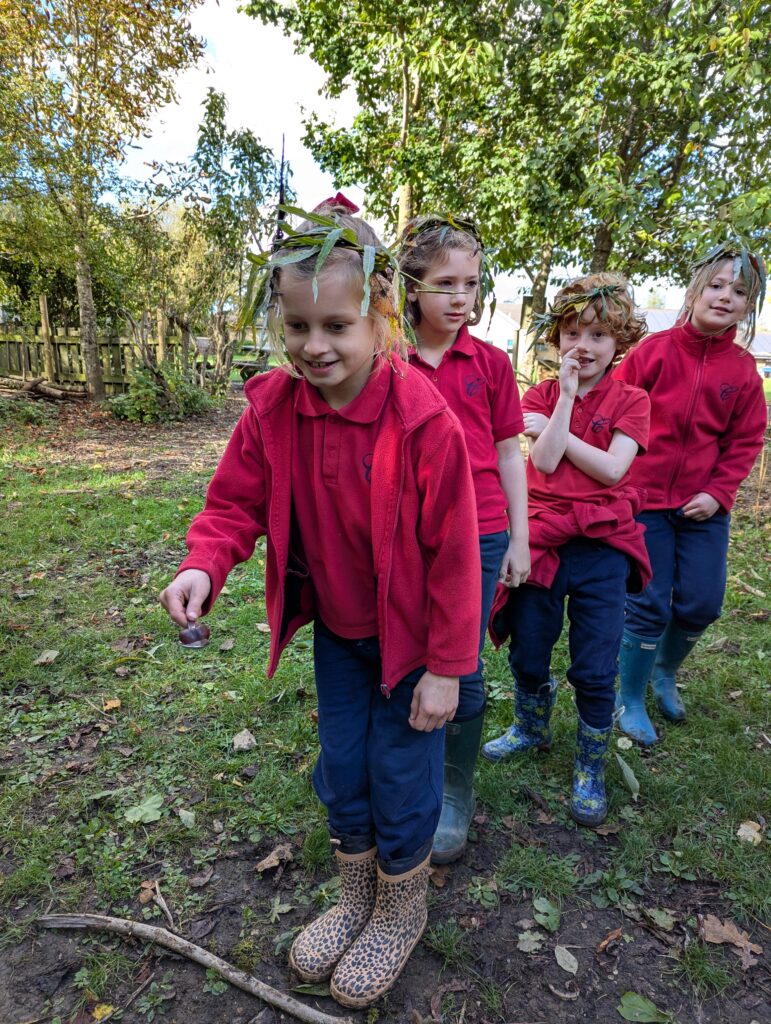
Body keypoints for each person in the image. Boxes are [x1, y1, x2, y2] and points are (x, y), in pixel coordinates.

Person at [159, 198, 482, 1008]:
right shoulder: (272, 408)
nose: (314, 346)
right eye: (297, 327)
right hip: (340, 636)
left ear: (378, 317)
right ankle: (354, 898)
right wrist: (206, 563)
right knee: (343, 767)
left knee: (400, 772)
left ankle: (400, 907)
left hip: (412, 648)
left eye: (335, 326)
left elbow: (453, 558)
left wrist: (448, 669)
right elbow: (233, 504)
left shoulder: (422, 422)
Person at [482, 274, 651, 827]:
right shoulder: (538, 395)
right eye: (573, 332)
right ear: (555, 339)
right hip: (542, 539)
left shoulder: (634, 400)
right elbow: (547, 462)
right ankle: (531, 726)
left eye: (599, 334)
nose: (585, 344)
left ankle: (590, 763)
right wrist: (566, 400)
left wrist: (564, 428)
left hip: (603, 545)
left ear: (619, 341)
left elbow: (612, 468)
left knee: (596, 662)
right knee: (529, 646)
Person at [397, 215, 529, 863]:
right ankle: (402, 766)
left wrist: (519, 538)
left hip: (478, 534)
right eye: (444, 283)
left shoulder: (491, 364)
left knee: (460, 660)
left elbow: (508, 451)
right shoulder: (387, 361)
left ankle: (455, 787)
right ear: (411, 287)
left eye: (471, 284)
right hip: (403, 535)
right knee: (400, 649)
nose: (460, 299)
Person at [614, 244, 767, 745]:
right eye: (717, 285)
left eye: (739, 291)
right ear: (696, 290)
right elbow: (616, 411)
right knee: (649, 602)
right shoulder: (652, 353)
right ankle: (630, 696)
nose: (725, 297)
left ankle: (663, 670)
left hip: (704, 508)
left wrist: (719, 492)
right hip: (645, 500)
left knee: (702, 603)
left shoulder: (743, 371)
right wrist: (620, 479)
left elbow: (744, 440)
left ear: (750, 305)